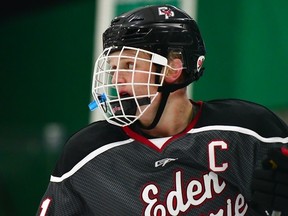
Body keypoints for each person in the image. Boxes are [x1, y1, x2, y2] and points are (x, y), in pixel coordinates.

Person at [37, 4, 288, 215]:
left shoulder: (251, 131)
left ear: (172, 69)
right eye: (113, 69)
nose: (117, 79)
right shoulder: (85, 157)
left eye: (129, 65)